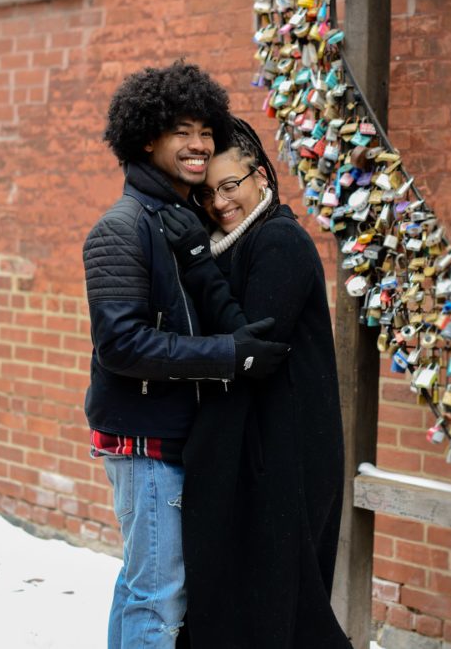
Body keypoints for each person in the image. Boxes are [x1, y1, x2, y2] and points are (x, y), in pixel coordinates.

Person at [82, 61, 291, 649]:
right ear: (147, 137)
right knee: (160, 596)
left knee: (142, 586)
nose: (198, 145)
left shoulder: (180, 220)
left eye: (205, 131)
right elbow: (120, 344)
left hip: (174, 432)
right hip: (145, 437)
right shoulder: (122, 227)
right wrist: (230, 355)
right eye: (181, 132)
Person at [159, 117, 350, 648]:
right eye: (207, 193)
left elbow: (253, 345)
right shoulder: (231, 244)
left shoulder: (280, 241)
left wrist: (197, 263)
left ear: (261, 176)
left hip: (287, 455)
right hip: (253, 450)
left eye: (230, 185)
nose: (219, 203)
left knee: (281, 606)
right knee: (241, 600)